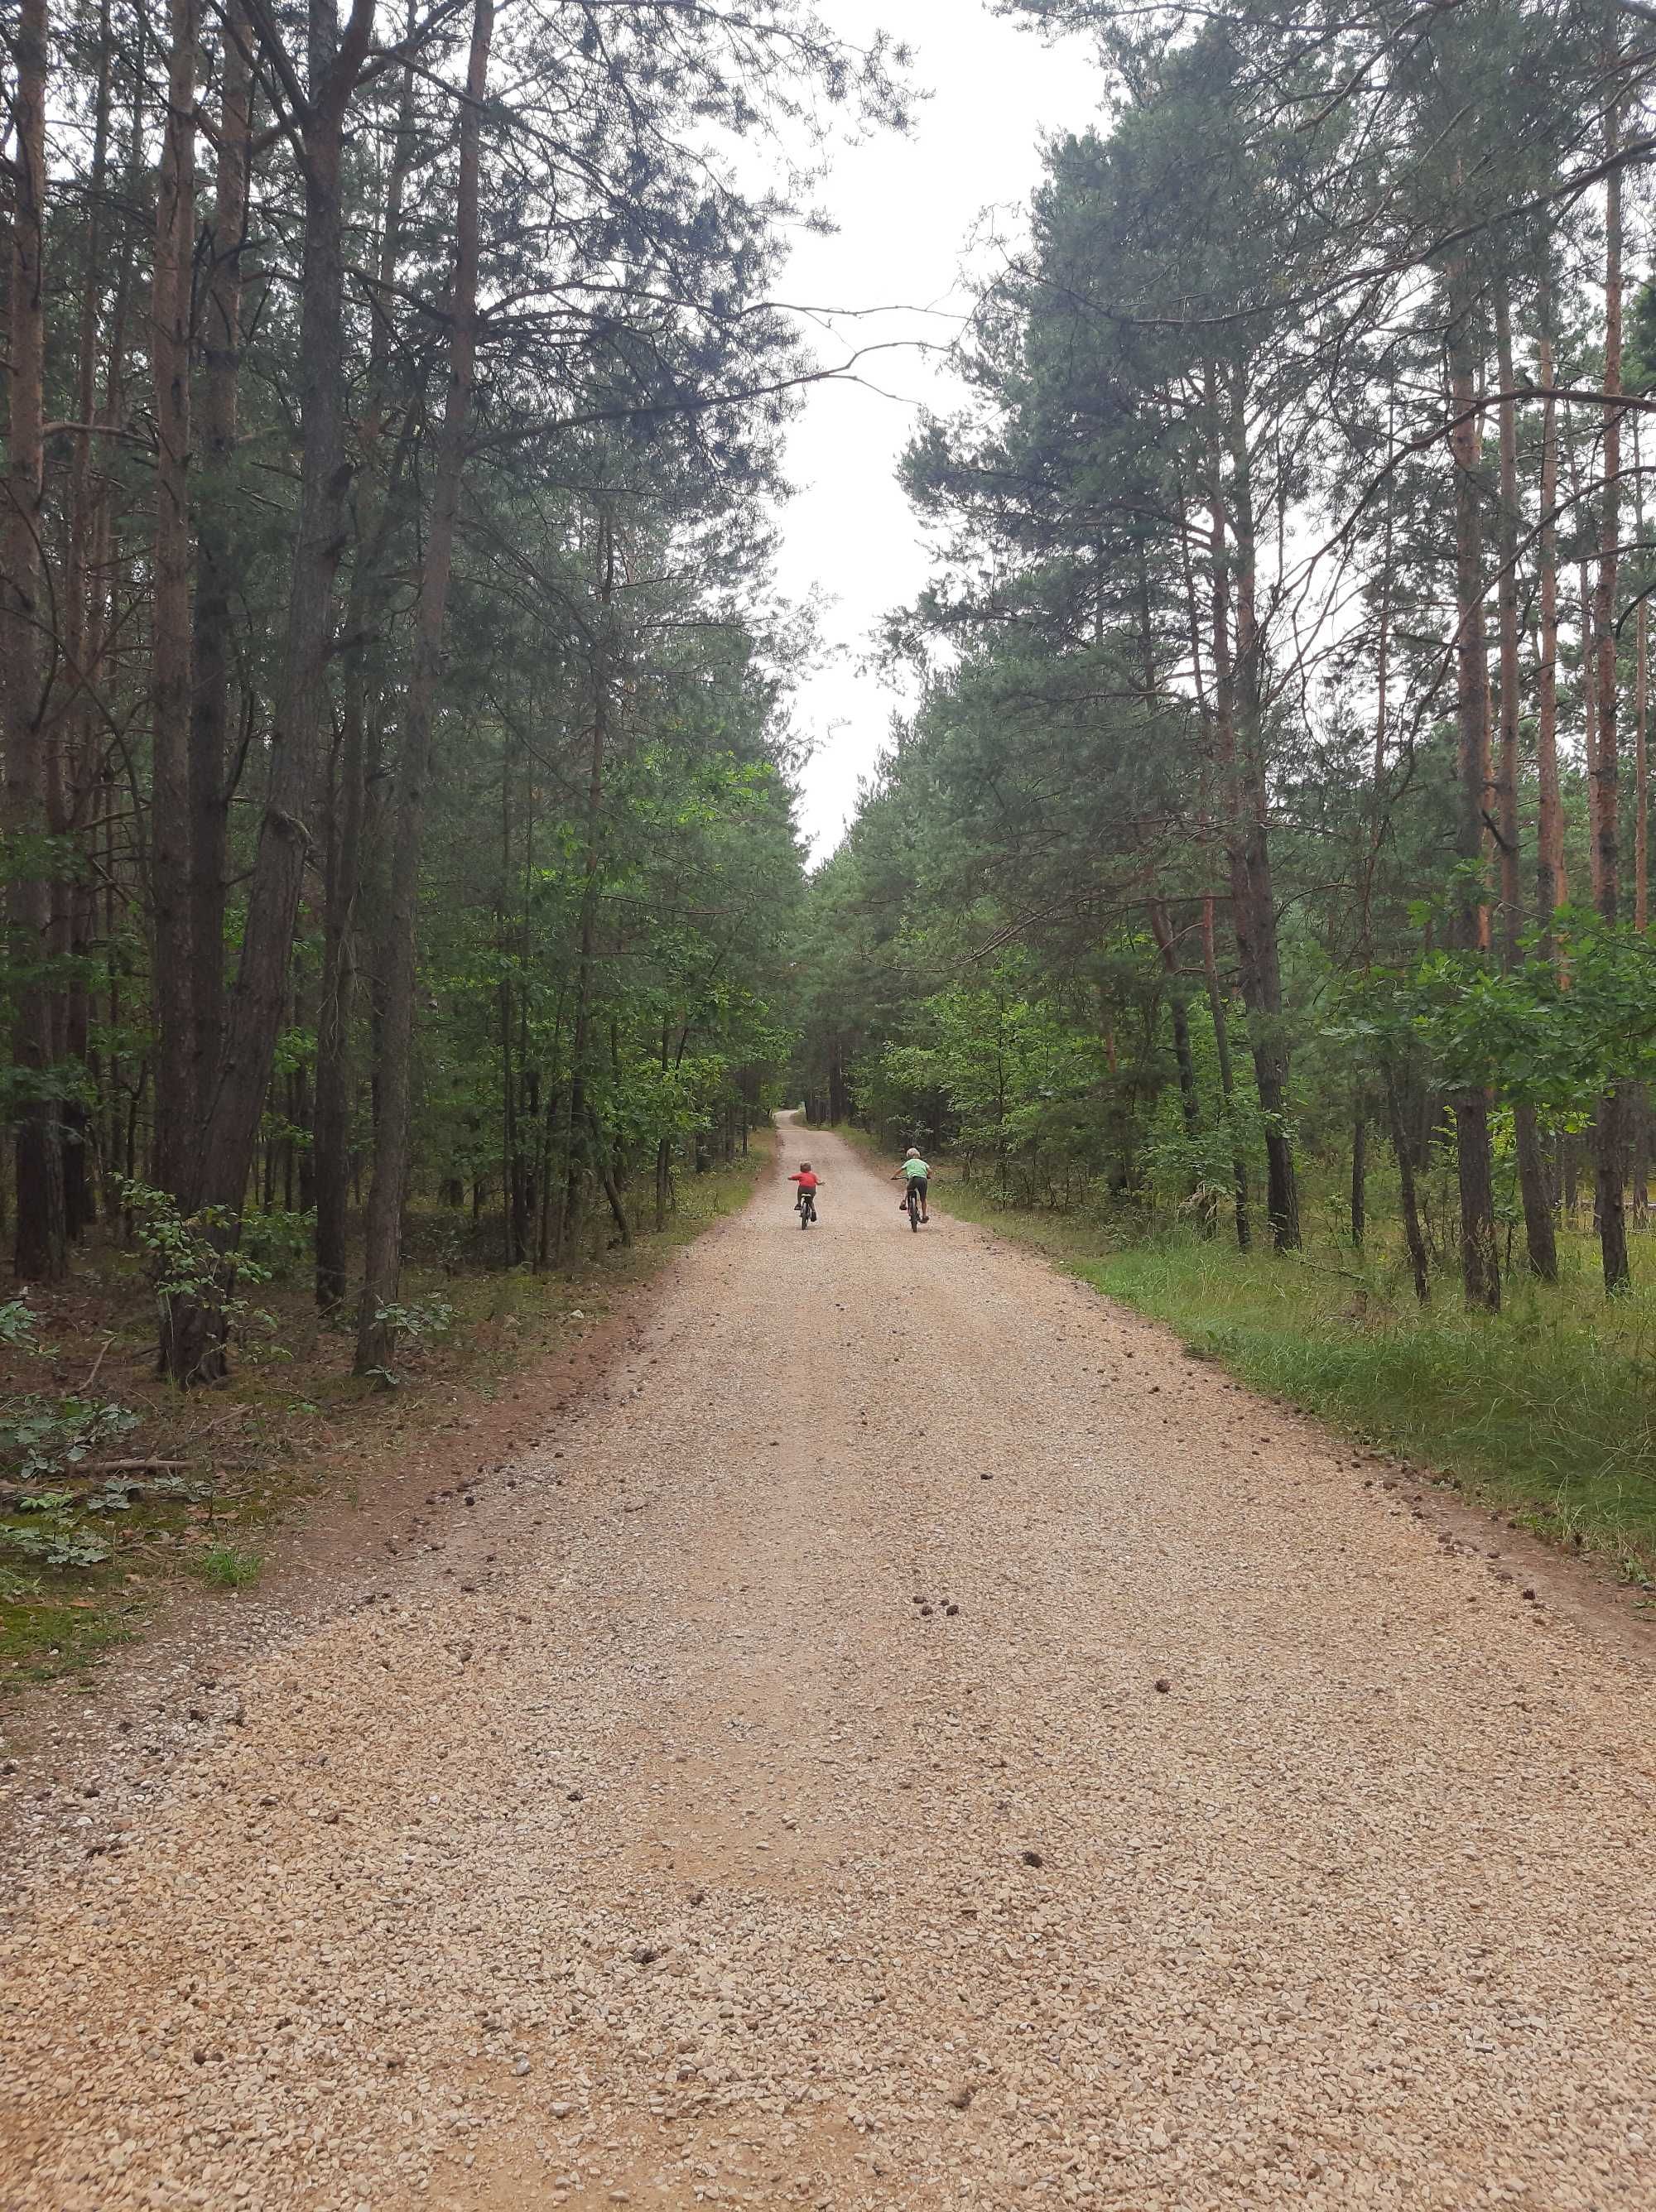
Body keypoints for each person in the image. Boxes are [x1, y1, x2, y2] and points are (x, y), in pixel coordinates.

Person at [892, 1146, 930, 1223]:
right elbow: (930, 1171)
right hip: (923, 1180)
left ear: (909, 1156)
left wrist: (894, 1176)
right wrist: (928, 1175)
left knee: (907, 1188)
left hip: (914, 1178)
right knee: (923, 1199)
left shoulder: (909, 1162)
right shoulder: (923, 1162)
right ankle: (924, 1215)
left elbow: (900, 1170)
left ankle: (903, 1201)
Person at [787, 1161, 821, 1227]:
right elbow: (818, 1182)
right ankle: (813, 1211)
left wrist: (790, 1178)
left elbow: (793, 1177)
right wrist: (821, 1183)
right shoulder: (813, 1175)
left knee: (799, 1192)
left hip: (803, 1189)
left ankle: (799, 1204)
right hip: (811, 1190)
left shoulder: (800, 1175)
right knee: (810, 1201)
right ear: (810, 1168)